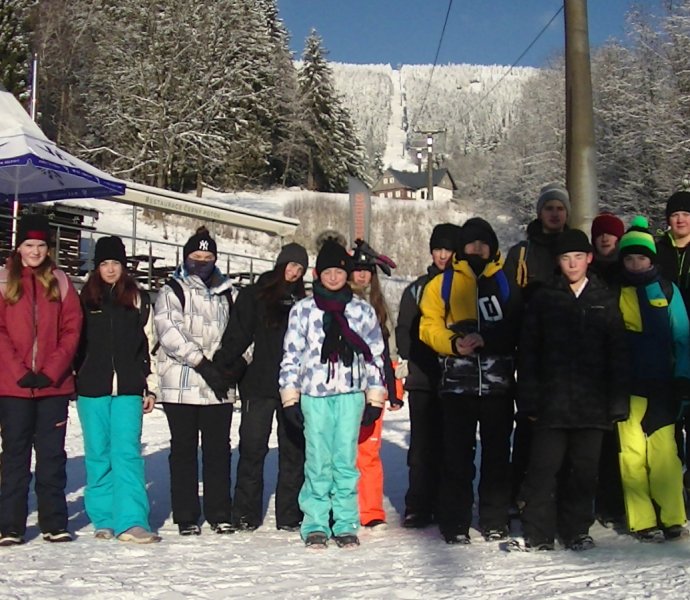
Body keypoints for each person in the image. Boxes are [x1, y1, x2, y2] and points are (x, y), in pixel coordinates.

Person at [516, 229, 629, 551]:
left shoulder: (604, 298)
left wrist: (618, 401)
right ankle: (538, 532)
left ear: (589, 258)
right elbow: (529, 352)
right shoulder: (544, 298)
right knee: (543, 469)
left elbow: (618, 354)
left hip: (592, 404)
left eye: (578, 257)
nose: (573, 264)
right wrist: (529, 398)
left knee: (584, 472)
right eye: (566, 258)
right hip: (551, 402)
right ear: (558, 261)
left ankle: (577, 529)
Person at [279, 241, 386, 549]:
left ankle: (345, 522)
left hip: (351, 395)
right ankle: (315, 522)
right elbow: (291, 355)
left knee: (345, 461)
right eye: (328, 272)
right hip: (315, 395)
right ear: (318, 274)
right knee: (317, 461)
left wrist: (375, 396)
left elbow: (375, 355)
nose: (334, 277)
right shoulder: (303, 310)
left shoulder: (361, 310)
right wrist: (290, 396)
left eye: (339, 272)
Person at [419, 217, 519, 544]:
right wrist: (453, 343)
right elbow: (428, 326)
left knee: (497, 456)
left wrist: (488, 339)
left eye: (483, 244)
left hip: (497, 385)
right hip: (457, 386)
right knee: (456, 458)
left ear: (492, 247)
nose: (477, 249)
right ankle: (455, 523)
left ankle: (495, 519)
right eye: (471, 244)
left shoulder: (505, 281)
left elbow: (518, 324)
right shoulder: (442, 283)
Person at [213, 243, 309, 532]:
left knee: (293, 452)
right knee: (253, 449)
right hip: (257, 383)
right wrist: (223, 365)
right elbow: (238, 333)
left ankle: (290, 513)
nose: (294, 272)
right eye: (291, 265)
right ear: (280, 264)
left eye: (300, 268)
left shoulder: (303, 302)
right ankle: (245, 512)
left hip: (293, 387)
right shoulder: (254, 294)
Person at [0, 214, 82, 545]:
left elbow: (72, 328)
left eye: (41, 245)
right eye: (29, 244)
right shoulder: (4, 280)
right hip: (13, 386)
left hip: (52, 385)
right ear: (19, 247)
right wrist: (19, 371)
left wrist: (52, 369)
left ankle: (54, 521)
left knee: (51, 457)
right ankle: (10, 524)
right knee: (15, 456)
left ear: (49, 248)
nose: (35, 251)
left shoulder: (60, 281)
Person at [75, 236, 160, 544]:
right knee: (98, 454)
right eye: (104, 264)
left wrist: (151, 386)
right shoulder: (85, 300)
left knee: (127, 454)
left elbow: (151, 344)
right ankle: (104, 518)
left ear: (124, 267)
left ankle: (132, 520)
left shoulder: (138, 299)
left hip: (128, 388)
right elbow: (74, 342)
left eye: (116, 263)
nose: (110, 269)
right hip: (92, 389)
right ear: (96, 267)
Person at [154, 226, 235, 536]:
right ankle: (186, 513)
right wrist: (201, 362)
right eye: (195, 256)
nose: (201, 262)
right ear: (185, 257)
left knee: (218, 450)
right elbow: (169, 331)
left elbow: (242, 331)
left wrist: (234, 363)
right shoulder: (172, 290)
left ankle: (219, 511)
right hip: (182, 382)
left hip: (219, 384)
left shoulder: (228, 292)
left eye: (207, 257)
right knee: (184, 450)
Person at [615, 217, 690, 542]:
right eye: (629, 258)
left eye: (641, 258)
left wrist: (683, 378)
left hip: (662, 386)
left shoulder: (667, 290)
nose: (635, 264)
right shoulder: (615, 292)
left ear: (651, 260)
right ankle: (642, 520)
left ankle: (672, 517)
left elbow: (683, 337)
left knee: (665, 455)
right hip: (628, 388)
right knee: (631, 455)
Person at [503, 183, 570, 510]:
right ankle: (520, 491)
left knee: (566, 424)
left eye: (560, 208)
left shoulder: (576, 247)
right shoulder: (522, 252)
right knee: (529, 421)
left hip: (569, 351)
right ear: (540, 213)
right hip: (531, 349)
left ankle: (561, 492)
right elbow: (508, 301)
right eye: (549, 208)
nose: (555, 214)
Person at [396, 223, 460, 529]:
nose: (443, 255)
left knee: (452, 444)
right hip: (423, 378)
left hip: (457, 379)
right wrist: (417, 359)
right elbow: (403, 330)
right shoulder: (417, 288)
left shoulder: (465, 286)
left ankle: (448, 503)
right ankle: (419, 504)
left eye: (448, 249)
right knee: (422, 445)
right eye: (438, 249)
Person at [350, 238, 403, 532]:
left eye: (367, 271)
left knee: (369, 448)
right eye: (357, 270)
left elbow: (390, 349)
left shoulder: (380, 306)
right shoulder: (339, 301)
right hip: (345, 385)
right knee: (342, 450)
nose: (362, 276)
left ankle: (370, 509)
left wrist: (395, 387)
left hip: (376, 384)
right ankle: (342, 506)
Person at [588, 212, 626, 528]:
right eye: (600, 234)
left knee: (622, 439)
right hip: (593, 364)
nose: (605, 239)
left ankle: (618, 501)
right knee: (598, 440)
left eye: (610, 234)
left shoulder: (628, 270)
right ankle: (601, 501)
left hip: (625, 360)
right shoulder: (586, 272)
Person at [656, 190, 690, 491]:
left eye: (686, 214)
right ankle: (672, 486)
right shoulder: (658, 250)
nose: (680, 220)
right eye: (675, 215)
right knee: (670, 420)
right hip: (665, 343)